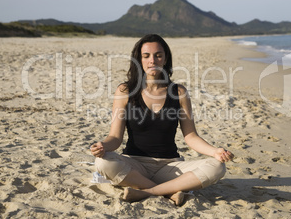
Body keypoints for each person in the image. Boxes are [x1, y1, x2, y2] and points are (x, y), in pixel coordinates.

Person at [90, 34, 234, 205]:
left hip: (169, 166)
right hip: (135, 165)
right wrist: (103, 146)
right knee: (102, 163)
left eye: (158, 55)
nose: (153, 60)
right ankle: (169, 193)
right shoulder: (125, 91)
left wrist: (214, 152)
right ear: (139, 60)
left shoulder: (179, 92)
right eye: (146, 56)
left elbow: (190, 136)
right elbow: (115, 137)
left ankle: (149, 191)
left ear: (165, 59)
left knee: (217, 166)